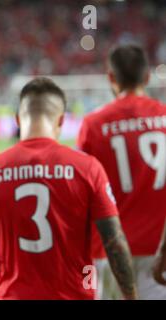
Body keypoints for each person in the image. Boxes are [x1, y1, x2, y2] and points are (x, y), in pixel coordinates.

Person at [0, 77, 137, 300]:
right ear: (60, 120)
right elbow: (114, 241)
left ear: (18, 119)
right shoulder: (87, 168)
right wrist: (131, 296)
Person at [77, 44, 166, 299]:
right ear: (147, 77)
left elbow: (82, 193)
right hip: (160, 249)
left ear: (111, 78)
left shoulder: (93, 125)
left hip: (110, 251)